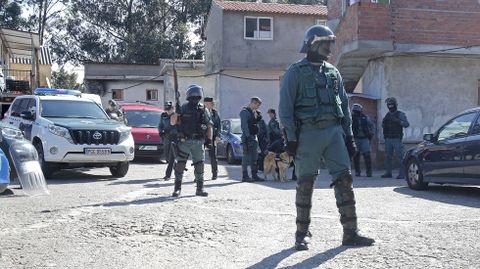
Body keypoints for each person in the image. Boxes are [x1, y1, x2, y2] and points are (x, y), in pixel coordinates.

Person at [279, 24, 374, 250]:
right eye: (327, 43)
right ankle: (301, 233)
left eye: (331, 43)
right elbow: (285, 109)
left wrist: (348, 136)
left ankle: (351, 232)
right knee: (305, 182)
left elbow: (345, 106)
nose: (330, 47)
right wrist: (291, 139)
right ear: (314, 44)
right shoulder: (295, 72)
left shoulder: (333, 72)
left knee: (344, 179)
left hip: (334, 133)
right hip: (308, 133)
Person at [170, 84, 213, 197]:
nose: (195, 96)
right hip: (184, 141)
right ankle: (177, 189)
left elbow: (209, 126)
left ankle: (200, 188)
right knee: (180, 164)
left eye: (197, 94)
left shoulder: (203, 109)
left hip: (199, 142)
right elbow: (173, 122)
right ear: (189, 96)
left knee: (200, 165)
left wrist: (209, 140)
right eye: (193, 94)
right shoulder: (183, 108)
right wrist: (176, 112)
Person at [381, 97, 409, 179]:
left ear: (395, 105)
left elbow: (407, 124)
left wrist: (399, 121)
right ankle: (388, 172)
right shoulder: (387, 115)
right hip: (388, 139)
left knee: (400, 156)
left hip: (397, 138)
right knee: (387, 157)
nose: (390, 106)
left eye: (392, 104)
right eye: (389, 105)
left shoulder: (400, 114)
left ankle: (402, 173)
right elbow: (383, 125)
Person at [239, 97, 263, 182]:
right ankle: (245, 176)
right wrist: (248, 136)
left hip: (254, 137)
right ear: (253, 103)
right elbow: (244, 126)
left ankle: (254, 175)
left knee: (254, 157)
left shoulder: (255, 112)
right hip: (247, 137)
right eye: (257, 105)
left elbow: (256, 124)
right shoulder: (244, 112)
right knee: (246, 157)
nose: (258, 107)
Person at [351, 103, 375, 177]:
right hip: (355, 138)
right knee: (356, 156)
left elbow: (371, 126)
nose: (355, 112)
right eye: (354, 110)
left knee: (367, 155)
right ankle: (357, 171)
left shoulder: (365, 118)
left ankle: (369, 172)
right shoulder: (351, 118)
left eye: (357, 110)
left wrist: (371, 134)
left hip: (364, 139)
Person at [159, 101, 177, 179]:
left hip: (175, 137)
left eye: (169, 110)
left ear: (173, 109)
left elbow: (177, 126)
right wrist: (160, 132)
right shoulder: (163, 115)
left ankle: (169, 174)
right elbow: (160, 125)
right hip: (166, 137)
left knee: (172, 156)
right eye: (166, 110)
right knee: (167, 156)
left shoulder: (176, 115)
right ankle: (177, 170)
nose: (167, 111)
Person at [204, 96, 221, 180]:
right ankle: (198, 175)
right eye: (207, 103)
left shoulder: (215, 113)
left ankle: (215, 173)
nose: (209, 105)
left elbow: (218, 125)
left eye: (210, 104)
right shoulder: (201, 111)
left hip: (212, 137)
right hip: (202, 136)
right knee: (200, 156)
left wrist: (218, 135)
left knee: (213, 156)